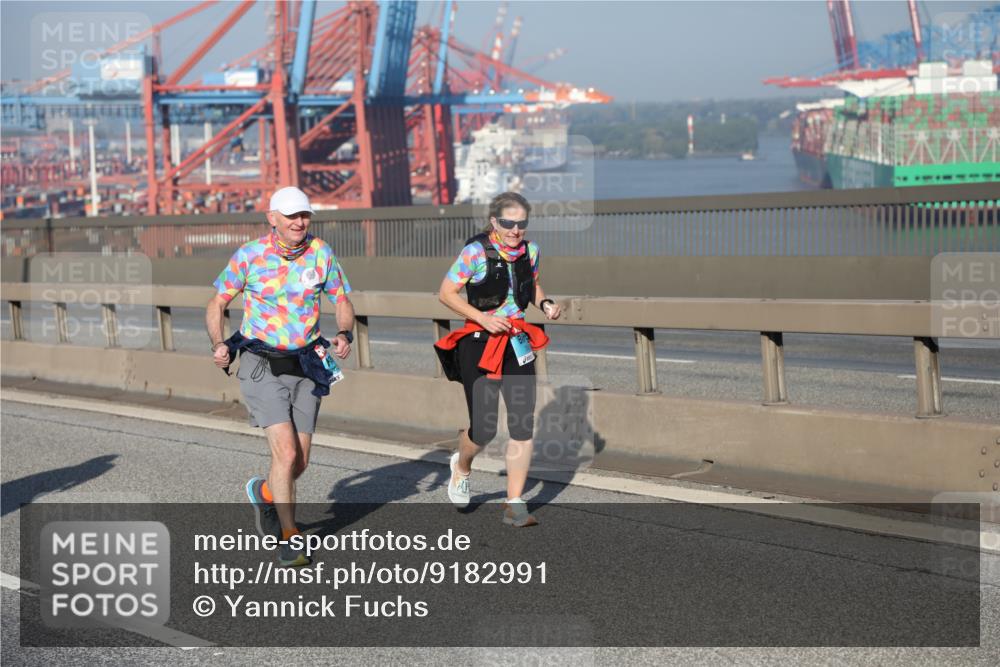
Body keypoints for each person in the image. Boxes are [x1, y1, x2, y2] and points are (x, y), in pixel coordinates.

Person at [205, 186, 355, 566]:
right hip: (260, 361)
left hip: (307, 361)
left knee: (299, 461)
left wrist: (344, 333)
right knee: (285, 452)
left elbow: (340, 298)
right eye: (291, 216)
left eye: (304, 215)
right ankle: (290, 536)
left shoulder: (321, 253)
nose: (299, 222)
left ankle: (265, 493)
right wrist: (219, 342)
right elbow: (218, 301)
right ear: (272, 218)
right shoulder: (250, 256)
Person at [434, 191, 562, 527]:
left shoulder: (530, 251)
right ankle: (461, 467)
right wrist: (482, 317)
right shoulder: (476, 251)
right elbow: (446, 293)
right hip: (479, 341)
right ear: (494, 222)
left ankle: (514, 504)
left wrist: (545, 303)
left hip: (517, 342)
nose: (515, 230)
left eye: (521, 224)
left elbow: (530, 284)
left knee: (522, 423)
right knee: (485, 426)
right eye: (508, 223)